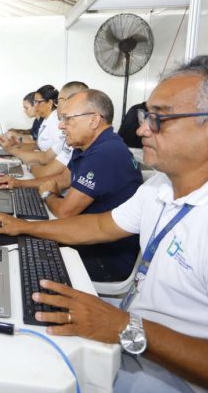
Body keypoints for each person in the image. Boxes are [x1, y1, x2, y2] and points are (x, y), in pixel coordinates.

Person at [0, 55, 208, 392]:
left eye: (159, 119)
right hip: (140, 341)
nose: (140, 130)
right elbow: (98, 227)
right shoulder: (162, 186)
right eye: (144, 116)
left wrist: (125, 327)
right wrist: (23, 227)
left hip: (175, 377)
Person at [37, 89, 142, 281]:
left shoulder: (106, 153)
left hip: (106, 257)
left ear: (94, 120)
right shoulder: (86, 144)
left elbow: (65, 212)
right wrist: (49, 190)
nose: (61, 125)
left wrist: (47, 196)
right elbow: (61, 181)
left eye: (68, 119)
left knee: (26, 254)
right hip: (89, 239)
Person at [0, 81, 89, 189]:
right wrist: (15, 148)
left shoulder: (58, 126)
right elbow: (43, 153)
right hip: (47, 179)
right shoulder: (49, 121)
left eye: (38, 102)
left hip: (51, 183)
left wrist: (30, 164)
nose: (61, 126)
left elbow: (47, 165)